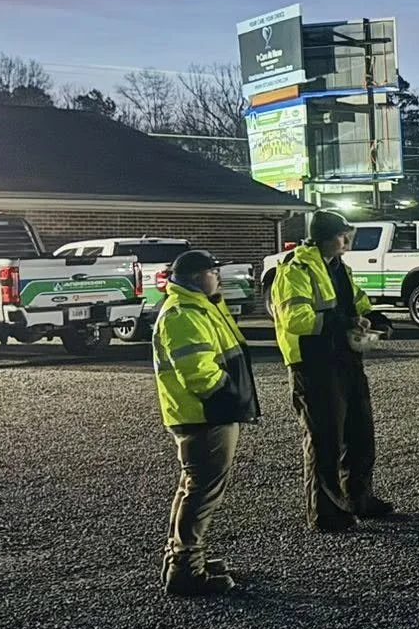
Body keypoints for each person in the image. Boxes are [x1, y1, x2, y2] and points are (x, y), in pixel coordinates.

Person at [270, 211, 396, 532]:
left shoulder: (340, 268)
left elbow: (356, 303)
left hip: (345, 361)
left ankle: (359, 499)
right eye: (343, 235)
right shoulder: (296, 270)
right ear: (327, 237)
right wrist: (344, 323)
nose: (348, 240)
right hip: (313, 365)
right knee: (324, 440)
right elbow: (296, 319)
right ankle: (326, 513)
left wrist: (375, 318)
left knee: (360, 434)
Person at [152, 249, 261, 596]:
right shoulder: (185, 314)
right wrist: (228, 397)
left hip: (202, 414)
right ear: (199, 277)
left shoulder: (199, 307)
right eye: (214, 272)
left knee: (193, 487)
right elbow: (198, 372)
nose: (219, 278)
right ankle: (186, 569)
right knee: (202, 492)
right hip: (205, 415)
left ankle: (183, 559)